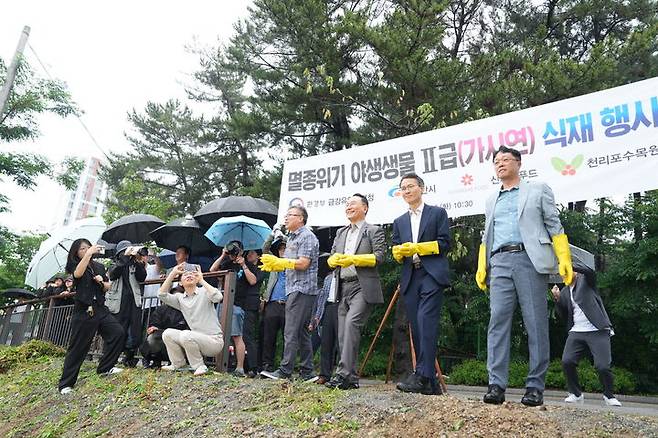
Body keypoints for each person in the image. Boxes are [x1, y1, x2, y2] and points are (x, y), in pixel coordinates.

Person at [477, 145, 574, 407]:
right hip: (499, 261)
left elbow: (554, 224)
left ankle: (534, 386)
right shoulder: (491, 199)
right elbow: (487, 234)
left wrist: (563, 257)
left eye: (506, 159)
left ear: (519, 163)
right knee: (497, 323)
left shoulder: (537, 189)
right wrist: (482, 264)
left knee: (535, 324)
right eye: (496, 161)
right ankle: (496, 384)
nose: (500, 164)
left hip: (529, 260)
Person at [392, 173, 451, 395]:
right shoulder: (399, 221)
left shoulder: (437, 213)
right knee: (417, 327)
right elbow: (396, 249)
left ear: (422, 188)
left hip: (431, 274)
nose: (406, 191)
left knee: (426, 321)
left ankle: (423, 375)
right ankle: (430, 383)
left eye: (410, 186)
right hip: (411, 276)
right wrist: (398, 252)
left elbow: (445, 243)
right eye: (403, 188)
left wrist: (419, 248)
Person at [324, 194, 386, 390]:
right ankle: (350, 378)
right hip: (342, 286)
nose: (348, 206)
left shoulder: (374, 230)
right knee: (343, 333)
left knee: (351, 324)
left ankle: (343, 374)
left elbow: (380, 257)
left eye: (353, 203)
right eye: (347, 204)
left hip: (362, 286)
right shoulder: (341, 233)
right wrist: (331, 260)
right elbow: (332, 255)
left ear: (365, 208)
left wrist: (355, 260)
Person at [58, 239, 126, 395]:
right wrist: (88, 255)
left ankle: (105, 368)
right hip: (84, 310)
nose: (87, 249)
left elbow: (108, 286)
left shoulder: (99, 266)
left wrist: (102, 282)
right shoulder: (75, 265)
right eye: (83, 248)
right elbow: (78, 274)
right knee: (78, 347)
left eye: (88, 247)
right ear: (76, 252)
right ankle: (66, 384)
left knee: (117, 332)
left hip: (100, 308)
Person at [260, 205, 320, 381]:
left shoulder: (307, 236)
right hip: (293, 288)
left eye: (290, 215)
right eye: (286, 215)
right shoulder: (292, 238)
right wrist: (277, 263)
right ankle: (308, 372)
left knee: (291, 330)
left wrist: (281, 263)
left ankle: (285, 371)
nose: (286, 218)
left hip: (302, 288)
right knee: (301, 331)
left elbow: (303, 263)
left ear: (301, 218)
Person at [551, 272, 622, 406]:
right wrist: (558, 299)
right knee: (567, 361)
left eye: (569, 269)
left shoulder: (586, 282)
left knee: (602, 366)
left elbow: (589, 271)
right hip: (577, 331)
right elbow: (564, 315)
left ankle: (609, 395)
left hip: (598, 330)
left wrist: (571, 258)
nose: (565, 273)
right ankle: (576, 394)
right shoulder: (565, 291)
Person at [158, 264, 224, 376]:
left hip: (214, 341)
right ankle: (178, 364)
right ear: (180, 283)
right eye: (185, 274)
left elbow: (218, 297)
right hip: (194, 338)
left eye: (192, 274)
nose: (189, 275)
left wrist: (202, 280)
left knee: (186, 335)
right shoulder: (180, 298)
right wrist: (173, 273)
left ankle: (200, 366)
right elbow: (161, 295)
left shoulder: (204, 291)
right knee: (167, 333)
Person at [210, 241, 265, 376]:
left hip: (238, 304)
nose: (233, 253)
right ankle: (220, 365)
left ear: (241, 251)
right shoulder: (226, 264)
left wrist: (243, 264)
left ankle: (240, 367)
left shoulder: (250, 266)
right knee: (220, 335)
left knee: (237, 336)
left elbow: (252, 281)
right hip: (224, 302)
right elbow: (212, 271)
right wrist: (223, 255)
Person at [108, 241, 147, 367]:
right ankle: (111, 361)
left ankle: (129, 359)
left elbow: (142, 277)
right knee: (119, 331)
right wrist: (125, 257)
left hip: (134, 303)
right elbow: (113, 274)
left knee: (134, 332)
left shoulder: (134, 264)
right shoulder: (115, 264)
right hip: (118, 304)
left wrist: (138, 261)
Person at [139, 289, 189, 369]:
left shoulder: (187, 310)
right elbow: (154, 322)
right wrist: (155, 328)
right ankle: (155, 360)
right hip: (161, 337)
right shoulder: (161, 309)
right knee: (152, 338)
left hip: (180, 339)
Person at [260, 236, 288, 372]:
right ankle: (267, 365)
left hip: (288, 304)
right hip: (272, 303)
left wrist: (287, 238)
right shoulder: (274, 263)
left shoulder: (295, 263)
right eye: (281, 249)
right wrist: (273, 235)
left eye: (285, 248)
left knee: (287, 337)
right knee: (269, 336)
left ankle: (285, 366)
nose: (283, 251)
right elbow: (264, 249)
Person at [310, 270, 338, 385]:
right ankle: (325, 374)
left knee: (341, 343)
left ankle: (342, 374)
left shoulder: (347, 277)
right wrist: (317, 315)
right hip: (328, 307)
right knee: (326, 343)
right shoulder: (328, 278)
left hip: (341, 306)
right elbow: (322, 297)